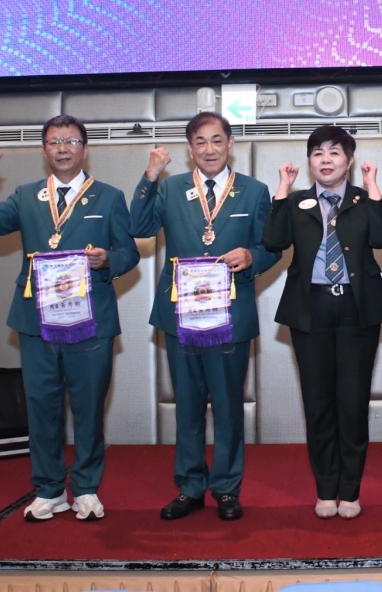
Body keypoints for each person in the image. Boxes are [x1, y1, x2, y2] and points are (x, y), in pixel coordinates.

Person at [0, 115, 139, 522]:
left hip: (90, 321)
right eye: (54, 142)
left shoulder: (109, 197)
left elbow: (129, 253)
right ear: (44, 150)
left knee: (88, 407)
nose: (62, 148)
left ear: (85, 148)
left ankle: (86, 488)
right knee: (41, 406)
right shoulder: (26, 195)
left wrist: (107, 260)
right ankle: (49, 490)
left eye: (71, 141)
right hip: (38, 320)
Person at [130, 112, 280, 522]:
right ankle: (191, 487)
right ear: (189, 148)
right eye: (200, 142)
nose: (209, 149)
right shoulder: (170, 187)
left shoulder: (254, 191)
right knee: (188, 406)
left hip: (229, 315)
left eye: (216, 140)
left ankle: (227, 488)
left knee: (228, 407)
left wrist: (252, 256)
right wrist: (150, 176)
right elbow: (138, 226)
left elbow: (272, 247)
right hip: (181, 315)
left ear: (230, 144)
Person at [262, 126, 382, 520]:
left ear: (349, 161)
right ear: (309, 162)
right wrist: (281, 190)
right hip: (311, 309)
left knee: (352, 404)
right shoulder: (296, 202)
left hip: (357, 310)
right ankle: (325, 490)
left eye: (335, 152)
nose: (326, 159)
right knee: (318, 404)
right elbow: (273, 241)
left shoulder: (363, 199)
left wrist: (373, 187)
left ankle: (350, 491)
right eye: (318, 152)